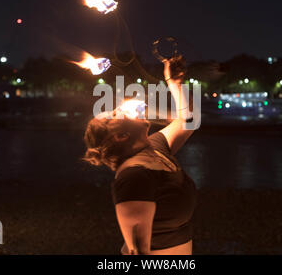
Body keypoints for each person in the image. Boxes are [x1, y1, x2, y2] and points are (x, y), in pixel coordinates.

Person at [83, 56, 198, 255]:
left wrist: (175, 84)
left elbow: (189, 121)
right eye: (116, 113)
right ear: (121, 136)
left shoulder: (154, 147)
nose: (121, 107)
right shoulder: (133, 177)